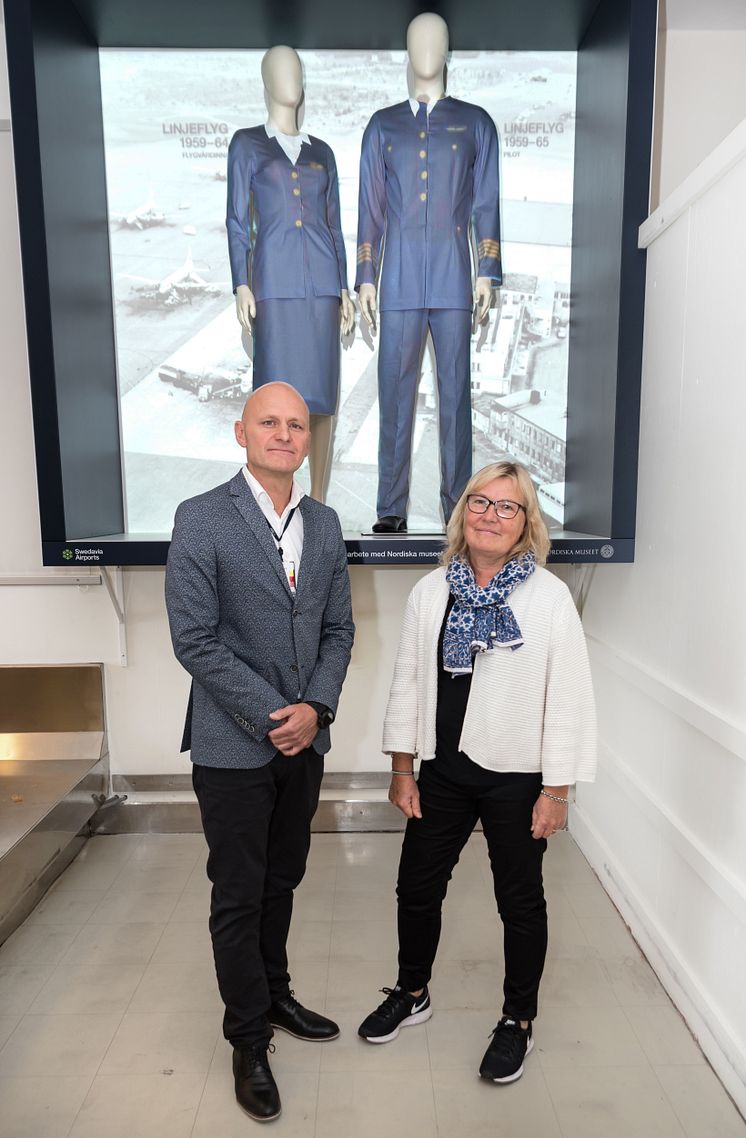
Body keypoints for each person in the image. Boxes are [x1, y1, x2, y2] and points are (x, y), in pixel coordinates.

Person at [358, 460, 596, 1083]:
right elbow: (410, 682)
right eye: (480, 503)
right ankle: (413, 992)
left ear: (526, 523)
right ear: (463, 512)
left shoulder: (549, 598)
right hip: (440, 768)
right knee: (416, 888)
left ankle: (517, 1020)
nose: (490, 516)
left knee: (519, 901)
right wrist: (402, 767)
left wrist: (557, 790)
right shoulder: (431, 591)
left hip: (518, 774)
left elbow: (568, 698)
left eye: (507, 507)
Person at [165, 382, 354, 1122]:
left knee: (284, 878)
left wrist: (317, 710)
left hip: (304, 742)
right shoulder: (201, 518)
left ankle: (274, 996)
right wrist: (280, 715)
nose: (284, 435)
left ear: (308, 440)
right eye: (268, 423)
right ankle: (246, 1039)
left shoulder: (327, 523)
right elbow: (195, 641)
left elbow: (338, 630)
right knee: (239, 893)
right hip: (233, 745)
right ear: (241, 433)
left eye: (296, 425)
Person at [356, 13, 501, 532]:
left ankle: (457, 511)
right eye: (417, 40)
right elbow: (370, 209)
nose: (425, 49)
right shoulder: (383, 125)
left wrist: (487, 268)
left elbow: (486, 202)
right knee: (394, 394)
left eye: (435, 40)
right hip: (395, 280)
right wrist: (366, 276)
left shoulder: (475, 122)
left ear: (447, 51)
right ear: (405, 51)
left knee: (454, 397)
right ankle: (391, 508)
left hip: (453, 277)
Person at [227, 46, 355, 502]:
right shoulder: (247, 144)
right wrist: (241, 282)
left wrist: (342, 287)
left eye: (297, 70)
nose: (292, 78)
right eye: (282, 70)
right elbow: (238, 221)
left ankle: (318, 507)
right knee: (275, 403)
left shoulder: (322, 151)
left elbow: (334, 223)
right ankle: (272, 507)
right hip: (273, 289)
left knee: (321, 401)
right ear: (265, 80)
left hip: (322, 291)